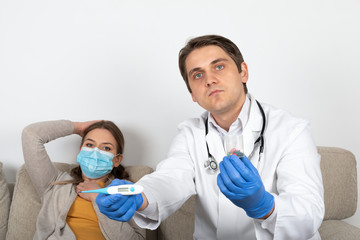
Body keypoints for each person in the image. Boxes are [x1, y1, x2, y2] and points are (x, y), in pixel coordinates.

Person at [96, 35, 325, 239]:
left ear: (243, 72)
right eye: (197, 74)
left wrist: (263, 205)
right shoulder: (190, 133)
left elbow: (309, 214)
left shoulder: (292, 130)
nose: (209, 79)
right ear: (192, 94)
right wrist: (139, 197)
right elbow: (171, 179)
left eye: (219, 67)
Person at [22, 120, 145, 240]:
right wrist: (77, 127)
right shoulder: (56, 183)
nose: (95, 152)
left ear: (117, 160)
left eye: (106, 148)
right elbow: (30, 135)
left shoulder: (126, 190)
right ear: (80, 150)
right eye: (90, 145)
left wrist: (98, 198)